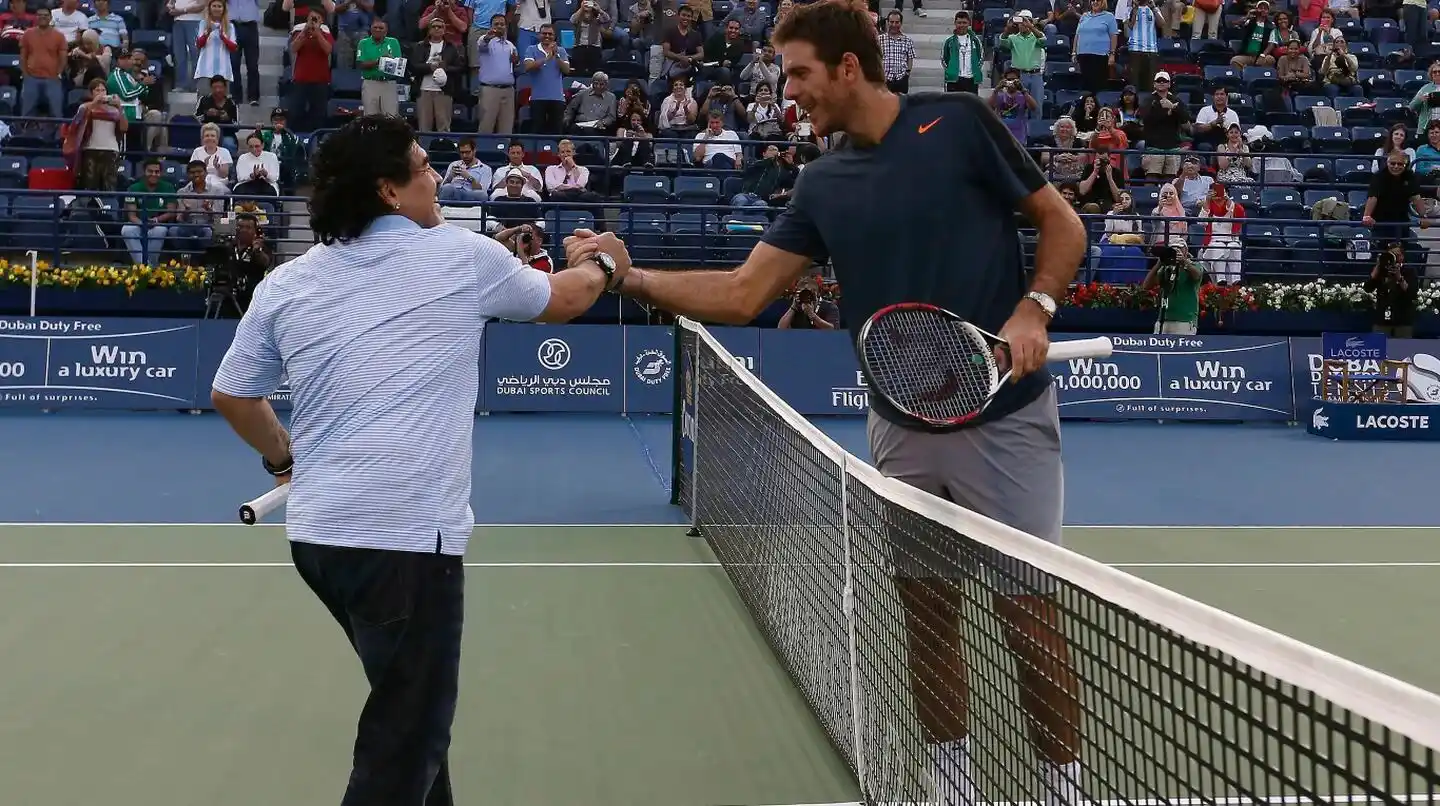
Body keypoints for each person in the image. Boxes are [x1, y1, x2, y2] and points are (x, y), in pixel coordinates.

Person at [569, 1, 1089, 804]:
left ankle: (1068, 787)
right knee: (926, 616)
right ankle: (948, 780)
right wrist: (626, 275)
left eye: (802, 74)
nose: (792, 93)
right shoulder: (823, 181)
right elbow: (744, 294)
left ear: (850, 67)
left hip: (1006, 421)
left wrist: (1037, 308)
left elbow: (1061, 224)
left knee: (1030, 621)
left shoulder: (955, 122)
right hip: (903, 425)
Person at [208, 114, 631, 806]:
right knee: (404, 746)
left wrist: (283, 461)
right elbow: (564, 298)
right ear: (388, 190)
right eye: (422, 165)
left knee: (410, 714)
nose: (436, 176)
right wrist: (605, 261)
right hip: (404, 546)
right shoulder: (461, 257)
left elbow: (233, 395)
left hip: (321, 541)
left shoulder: (289, 281)